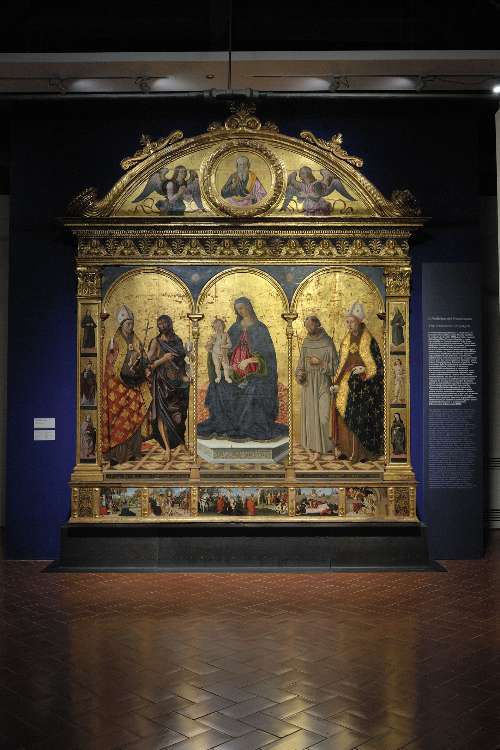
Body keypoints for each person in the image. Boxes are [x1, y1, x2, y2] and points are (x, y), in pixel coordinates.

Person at [197, 297, 288, 442]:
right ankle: (226, 424)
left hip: (257, 373)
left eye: (242, 307)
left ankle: (248, 426)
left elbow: (268, 356)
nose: (240, 311)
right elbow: (226, 348)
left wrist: (249, 360)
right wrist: (212, 349)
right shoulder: (235, 328)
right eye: (237, 309)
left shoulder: (261, 329)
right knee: (220, 385)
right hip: (235, 371)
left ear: (249, 307)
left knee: (253, 389)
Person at [331, 302, 384, 463]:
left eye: (351, 322)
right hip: (347, 383)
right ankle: (345, 450)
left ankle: (362, 453)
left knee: (359, 415)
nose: (349, 325)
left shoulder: (369, 340)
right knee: (340, 410)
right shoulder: (346, 340)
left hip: (364, 386)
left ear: (359, 321)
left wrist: (365, 370)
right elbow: (342, 363)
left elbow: (378, 366)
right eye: (347, 322)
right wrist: (336, 382)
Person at [101, 305, 151, 466]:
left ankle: (134, 451)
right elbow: (111, 366)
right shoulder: (114, 342)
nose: (131, 327)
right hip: (119, 387)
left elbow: (144, 359)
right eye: (128, 324)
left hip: (134, 385)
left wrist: (141, 364)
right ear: (122, 324)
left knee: (135, 416)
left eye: (132, 323)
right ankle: (118, 455)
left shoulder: (136, 340)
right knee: (119, 420)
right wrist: (126, 370)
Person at [147, 315, 190, 463]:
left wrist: (184, 376)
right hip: (162, 384)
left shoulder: (177, 341)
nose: (163, 326)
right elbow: (148, 365)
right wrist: (162, 359)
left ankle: (181, 443)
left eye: (165, 323)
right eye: (160, 324)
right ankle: (167, 449)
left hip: (178, 383)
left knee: (180, 417)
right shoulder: (156, 342)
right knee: (163, 416)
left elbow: (182, 362)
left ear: (170, 324)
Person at [295, 315, 338, 462]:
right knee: (312, 418)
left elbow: (335, 368)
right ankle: (317, 450)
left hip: (323, 383)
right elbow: (300, 366)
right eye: (306, 327)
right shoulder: (306, 343)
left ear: (317, 324)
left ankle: (328, 445)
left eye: (310, 326)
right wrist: (300, 375)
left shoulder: (327, 342)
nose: (308, 329)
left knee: (324, 416)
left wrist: (320, 363)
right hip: (308, 384)